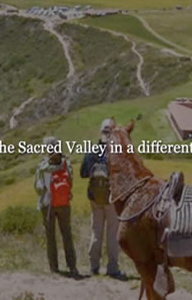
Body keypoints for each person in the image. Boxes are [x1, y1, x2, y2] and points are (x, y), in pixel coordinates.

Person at [80, 118, 123, 278]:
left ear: (101, 132)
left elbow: (83, 173)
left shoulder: (92, 151)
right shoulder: (116, 152)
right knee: (112, 233)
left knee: (96, 231)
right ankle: (112, 268)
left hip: (95, 198)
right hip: (112, 198)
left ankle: (94, 267)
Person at [34, 136, 78, 277]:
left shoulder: (43, 167)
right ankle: (72, 266)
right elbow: (70, 183)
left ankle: (54, 268)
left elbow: (38, 188)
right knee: (67, 235)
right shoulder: (67, 164)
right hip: (64, 204)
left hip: (48, 206)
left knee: (50, 237)